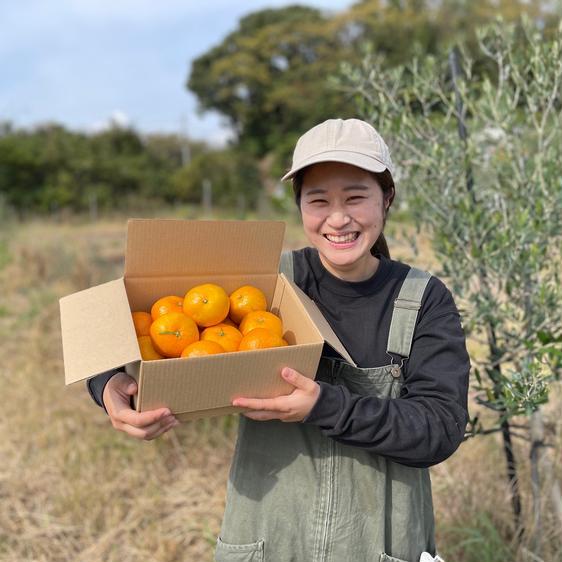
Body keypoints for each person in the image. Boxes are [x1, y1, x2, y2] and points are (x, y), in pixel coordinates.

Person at [87, 118, 470, 562]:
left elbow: (440, 429)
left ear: (387, 200)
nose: (338, 218)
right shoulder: (266, 281)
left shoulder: (422, 299)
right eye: (319, 200)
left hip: (378, 543)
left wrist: (325, 406)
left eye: (356, 197)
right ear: (300, 206)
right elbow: (143, 319)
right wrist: (108, 386)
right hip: (269, 539)